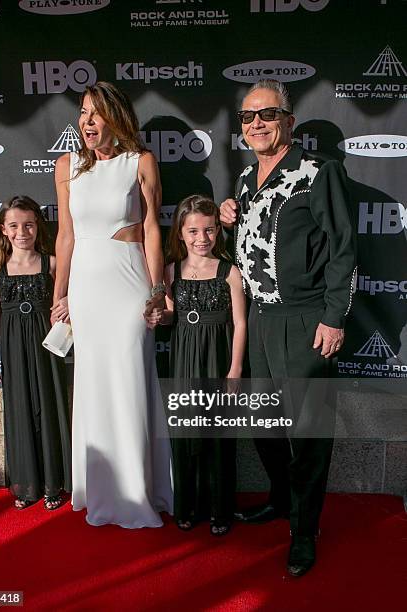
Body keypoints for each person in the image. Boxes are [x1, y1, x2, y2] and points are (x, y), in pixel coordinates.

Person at [220, 79, 356, 576]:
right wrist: (227, 215)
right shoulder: (243, 180)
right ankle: (281, 500)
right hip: (260, 319)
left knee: (308, 433)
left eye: (267, 115)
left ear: (289, 121)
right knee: (264, 424)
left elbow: (343, 250)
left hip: (306, 319)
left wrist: (334, 317)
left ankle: (305, 530)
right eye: (248, 117)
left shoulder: (319, 172)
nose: (257, 124)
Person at [52, 81, 173, 528]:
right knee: (94, 387)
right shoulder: (66, 168)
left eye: (96, 113)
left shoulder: (139, 162)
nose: (87, 120)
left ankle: (138, 492)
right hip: (85, 288)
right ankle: (100, 489)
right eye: (83, 112)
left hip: (128, 288)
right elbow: (65, 235)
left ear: (116, 118)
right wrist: (59, 294)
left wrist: (157, 289)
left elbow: (153, 229)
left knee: (130, 381)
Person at [156, 195, 246, 535]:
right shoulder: (170, 271)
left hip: (219, 359)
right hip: (182, 361)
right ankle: (187, 507)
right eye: (193, 231)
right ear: (180, 232)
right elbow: (167, 316)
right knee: (185, 434)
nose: (202, 238)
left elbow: (240, 323)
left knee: (219, 436)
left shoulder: (229, 271)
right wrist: (154, 315)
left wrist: (235, 370)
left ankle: (220, 512)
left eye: (209, 230)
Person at [0, 195, 72, 510]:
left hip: (47, 347)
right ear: (4, 230)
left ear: (38, 227)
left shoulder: (51, 262)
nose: (23, 231)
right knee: (21, 411)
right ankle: (28, 486)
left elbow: (72, 297)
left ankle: (53, 485)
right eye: (15, 225)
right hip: (14, 348)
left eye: (29, 224)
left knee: (50, 408)